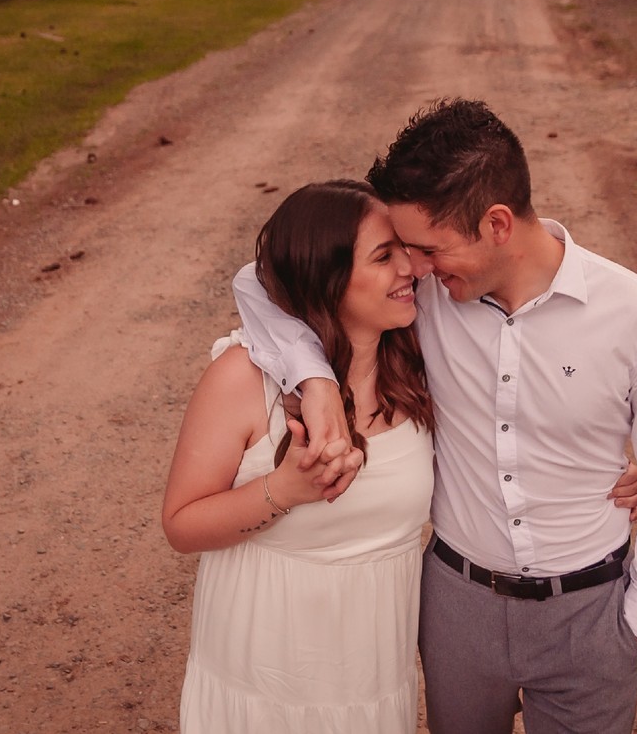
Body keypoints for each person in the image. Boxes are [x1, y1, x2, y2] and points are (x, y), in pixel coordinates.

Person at [232, 99, 637, 734]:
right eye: (405, 250)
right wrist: (316, 381)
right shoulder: (424, 299)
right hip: (457, 609)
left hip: (592, 613)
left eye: (429, 249)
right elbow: (256, 279)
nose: (414, 267)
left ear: (497, 224)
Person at [162, 180, 436, 733]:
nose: (409, 268)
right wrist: (283, 491)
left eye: (404, 250)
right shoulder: (244, 379)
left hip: (371, 680)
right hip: (262, 678)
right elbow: (181, 525)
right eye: (384, 257)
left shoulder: (420, 364)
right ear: (326, 278)